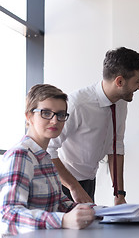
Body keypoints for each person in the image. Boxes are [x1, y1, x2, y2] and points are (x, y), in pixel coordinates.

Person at [48, 47, 139, 205]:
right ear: (119, 81)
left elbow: (116, 147)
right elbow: (47, 149)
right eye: (137, 81)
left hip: (89, 180)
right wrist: (74, 187)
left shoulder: (120, 103)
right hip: (63, 182)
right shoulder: (77, 105)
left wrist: (119, 194)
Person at [0, 84, 95, 235]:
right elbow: (9, 216)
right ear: (29, 116)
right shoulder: (20, 155)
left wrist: (95, 211)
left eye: (60, 114)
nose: (55, 121)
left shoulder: (45, 158)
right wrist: (63, 220)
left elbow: (60, 203)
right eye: (46, 113)